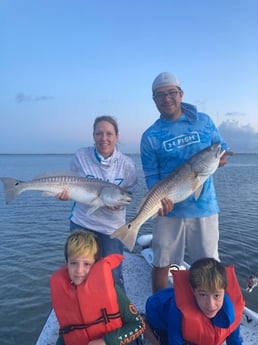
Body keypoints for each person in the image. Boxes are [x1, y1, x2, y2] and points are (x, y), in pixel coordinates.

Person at [140, 72, 233, 292]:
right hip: (168, 210)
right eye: (160, 95)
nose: (167, 98)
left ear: (181, 94)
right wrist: (159, 202)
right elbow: (152, 176)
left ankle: (209, 314)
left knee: (210, 264)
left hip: (205, 207)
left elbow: (221, 148)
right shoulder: (150, 136)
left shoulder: (203, 121)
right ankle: (158, 311)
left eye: (172, 92)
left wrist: (220, 159)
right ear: (154, 101)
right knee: (162, 262)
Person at [58, 115, 137, 288]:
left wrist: (118, 202)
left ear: (116, 136)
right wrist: (65, 194)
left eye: (109, 133)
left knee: (113, 275)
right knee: (80, 274)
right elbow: (72, 185)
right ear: (93, 136)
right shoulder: (81, 156)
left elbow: (128, 194)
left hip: (112, 229)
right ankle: (81, 310)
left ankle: (116, 312)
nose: (104, 138)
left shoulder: (128, 165)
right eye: (99, 133)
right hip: (82, 223)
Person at [50, 230, 146, 345]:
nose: (79, 270)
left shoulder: (112, 290)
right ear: (67, 264)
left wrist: (106, 341)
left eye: (86, 264)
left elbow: (138, 325)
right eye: (73, 263)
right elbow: (67, 331)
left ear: (96, 264)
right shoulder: (65, 294)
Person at [145, 257, 245, 345]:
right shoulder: (177, 309)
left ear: (224, 291)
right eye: (203, 295)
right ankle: (145, 326)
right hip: (159, 317)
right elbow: (174, 340)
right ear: (193, 291)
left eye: (217, 296)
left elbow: (234, 341)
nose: (211, 304)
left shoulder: (233, 312)